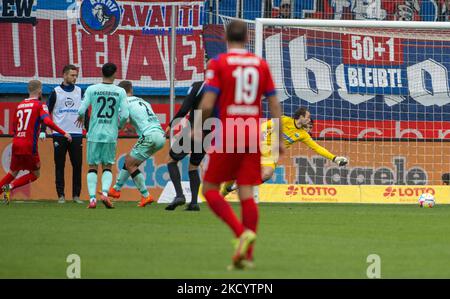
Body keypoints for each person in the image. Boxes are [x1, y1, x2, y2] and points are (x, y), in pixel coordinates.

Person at [197, 20, 284, 270]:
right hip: (252, 133)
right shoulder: (260, 64)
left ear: (225, 36)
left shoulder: (219, 63)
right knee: (246, 193)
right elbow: (275, 104)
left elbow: (206, 104)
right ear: (247, 37)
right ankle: (247, 255)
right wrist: (277, 139)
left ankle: (240, 233)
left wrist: (198, 129)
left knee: (210, 189)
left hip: (230, 131)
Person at [221, 107, 349, 196]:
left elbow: (317, 148)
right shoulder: (284, 120)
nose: (310, 120)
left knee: (267, 174)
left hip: (271, 155)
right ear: (301, 117)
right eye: (308, 117)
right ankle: (223, 193)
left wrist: (334, 158)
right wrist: (262, 132)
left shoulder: (303, 134)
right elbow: (265, 125)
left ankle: (239, 186)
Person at [0, 80, 72, 203]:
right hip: (29, 145)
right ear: (39, 91)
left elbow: (14, 127)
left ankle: (5, 188)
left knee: (12, 173)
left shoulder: (20, 105)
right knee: (35, 174)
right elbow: (47, 121)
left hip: (16, 143)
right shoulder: (40, 105)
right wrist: (63, 132)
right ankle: (10, 187)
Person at [77, 63, 129, 209]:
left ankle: (92, 198)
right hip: (110, 134)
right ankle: (105, 193)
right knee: (107, 166)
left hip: (93, 133)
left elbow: (81, 110)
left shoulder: (92, 89)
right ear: (115, 74)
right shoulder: (120, 91)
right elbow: (125, 115)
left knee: (92, 167)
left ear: (102, 73)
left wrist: (81, 117)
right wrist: (119, 126)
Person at [107, 81, 166, 207]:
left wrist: (118, 127)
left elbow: (124, 118)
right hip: (160, 136)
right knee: (131, 162)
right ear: (131, 90)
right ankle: (116, 189)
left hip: (149, 136)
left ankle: (145, 196)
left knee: (129, 162)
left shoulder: (124, 103)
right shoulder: (144, 101)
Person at [39, 65, 85, 204]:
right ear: (64, 75)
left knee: (77, 165)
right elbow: (46, 112)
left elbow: (85, 112)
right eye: (72, 75)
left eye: (76, 75)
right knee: (60, 165)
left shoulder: (80, 91)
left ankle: (76, 196)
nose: (74, 78)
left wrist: (87, 128)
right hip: (60, 134)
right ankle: (61, 196)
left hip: (77, 134)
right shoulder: (56, 92)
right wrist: (42, 130)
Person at [164, 80, 207, 211]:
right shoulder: (224, 89)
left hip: (194, 129)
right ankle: (194, 203)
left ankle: (179, 195)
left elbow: (184, 108)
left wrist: (171, 124)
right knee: (193, 166)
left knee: (171, 159)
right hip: (210, 131)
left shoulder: (198, 86)